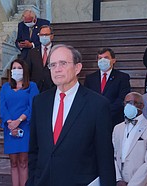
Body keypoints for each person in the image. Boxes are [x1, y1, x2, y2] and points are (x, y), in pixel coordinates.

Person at [27, 44, 116, 185]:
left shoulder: (97, 104)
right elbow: (34, 150)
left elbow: (105, 157)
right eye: (53, 65)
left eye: (63, 63)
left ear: (77, 68)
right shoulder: (40, 102)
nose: (57, 69)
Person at [0, 58, 39, 186]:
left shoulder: (32, 86)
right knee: (13, 162)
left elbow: (33, 106)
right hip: (9, 128)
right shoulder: (6, 87)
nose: (16, 70)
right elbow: (3, 107)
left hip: (25, 127)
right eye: (14, 68)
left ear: (24, 70)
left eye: (19, 68)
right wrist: (10, 123)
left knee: (23, 161)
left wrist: (19, 121)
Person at [113, 92, 147, 186]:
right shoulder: (118, 128)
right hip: (120, 183)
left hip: (142, 183)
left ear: (141, 105)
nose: (128, 106)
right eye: (126, 103)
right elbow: (114, 155)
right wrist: (118, 179)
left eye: (132, 102)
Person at [84, 47, 131, 127]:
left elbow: (122, 98)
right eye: (100, 58)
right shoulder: (90, 78)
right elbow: (86, 98)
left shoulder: (122, 77)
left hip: (114, 120)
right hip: (94, 120)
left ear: (113, 60)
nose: (102, 60)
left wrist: (105, 112)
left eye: (106, 58)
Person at [25, 25, 55, 92]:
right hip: (36, 88)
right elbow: (27, 70)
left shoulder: (57, 51)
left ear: (52, 36)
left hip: (53, 87)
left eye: (46, 34)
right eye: (41, 35)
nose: (44, 37)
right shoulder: (32, 52)